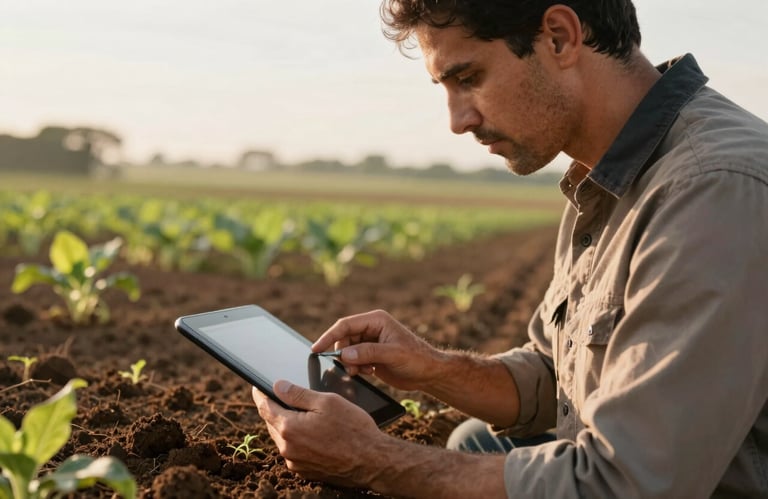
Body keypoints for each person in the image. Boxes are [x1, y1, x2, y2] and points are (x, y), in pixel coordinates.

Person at [252, 1, 768, 497]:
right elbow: (554, 376)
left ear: (560, 37)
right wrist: (431, 367)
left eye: (468, 78)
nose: (457, 120)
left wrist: (373, 459)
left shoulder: (711, 189)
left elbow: (628, 484)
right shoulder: (604, 174)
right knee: (474, 440)